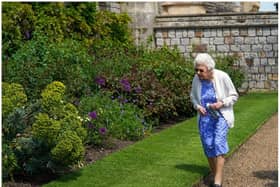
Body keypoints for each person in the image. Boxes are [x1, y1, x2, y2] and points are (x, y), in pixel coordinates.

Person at [190, 53, 238, 187]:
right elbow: (193, 97)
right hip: (205, 118)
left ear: (210, 69)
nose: (198, 73)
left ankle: (217, 182)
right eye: (196, 70)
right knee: (208, 145)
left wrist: (222, 103)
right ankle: (217, 172)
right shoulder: (196, 79)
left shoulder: (222, 76)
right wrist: (197, 106)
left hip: (221, 116)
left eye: (201, 70)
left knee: (218, 143)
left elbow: (234, 95)